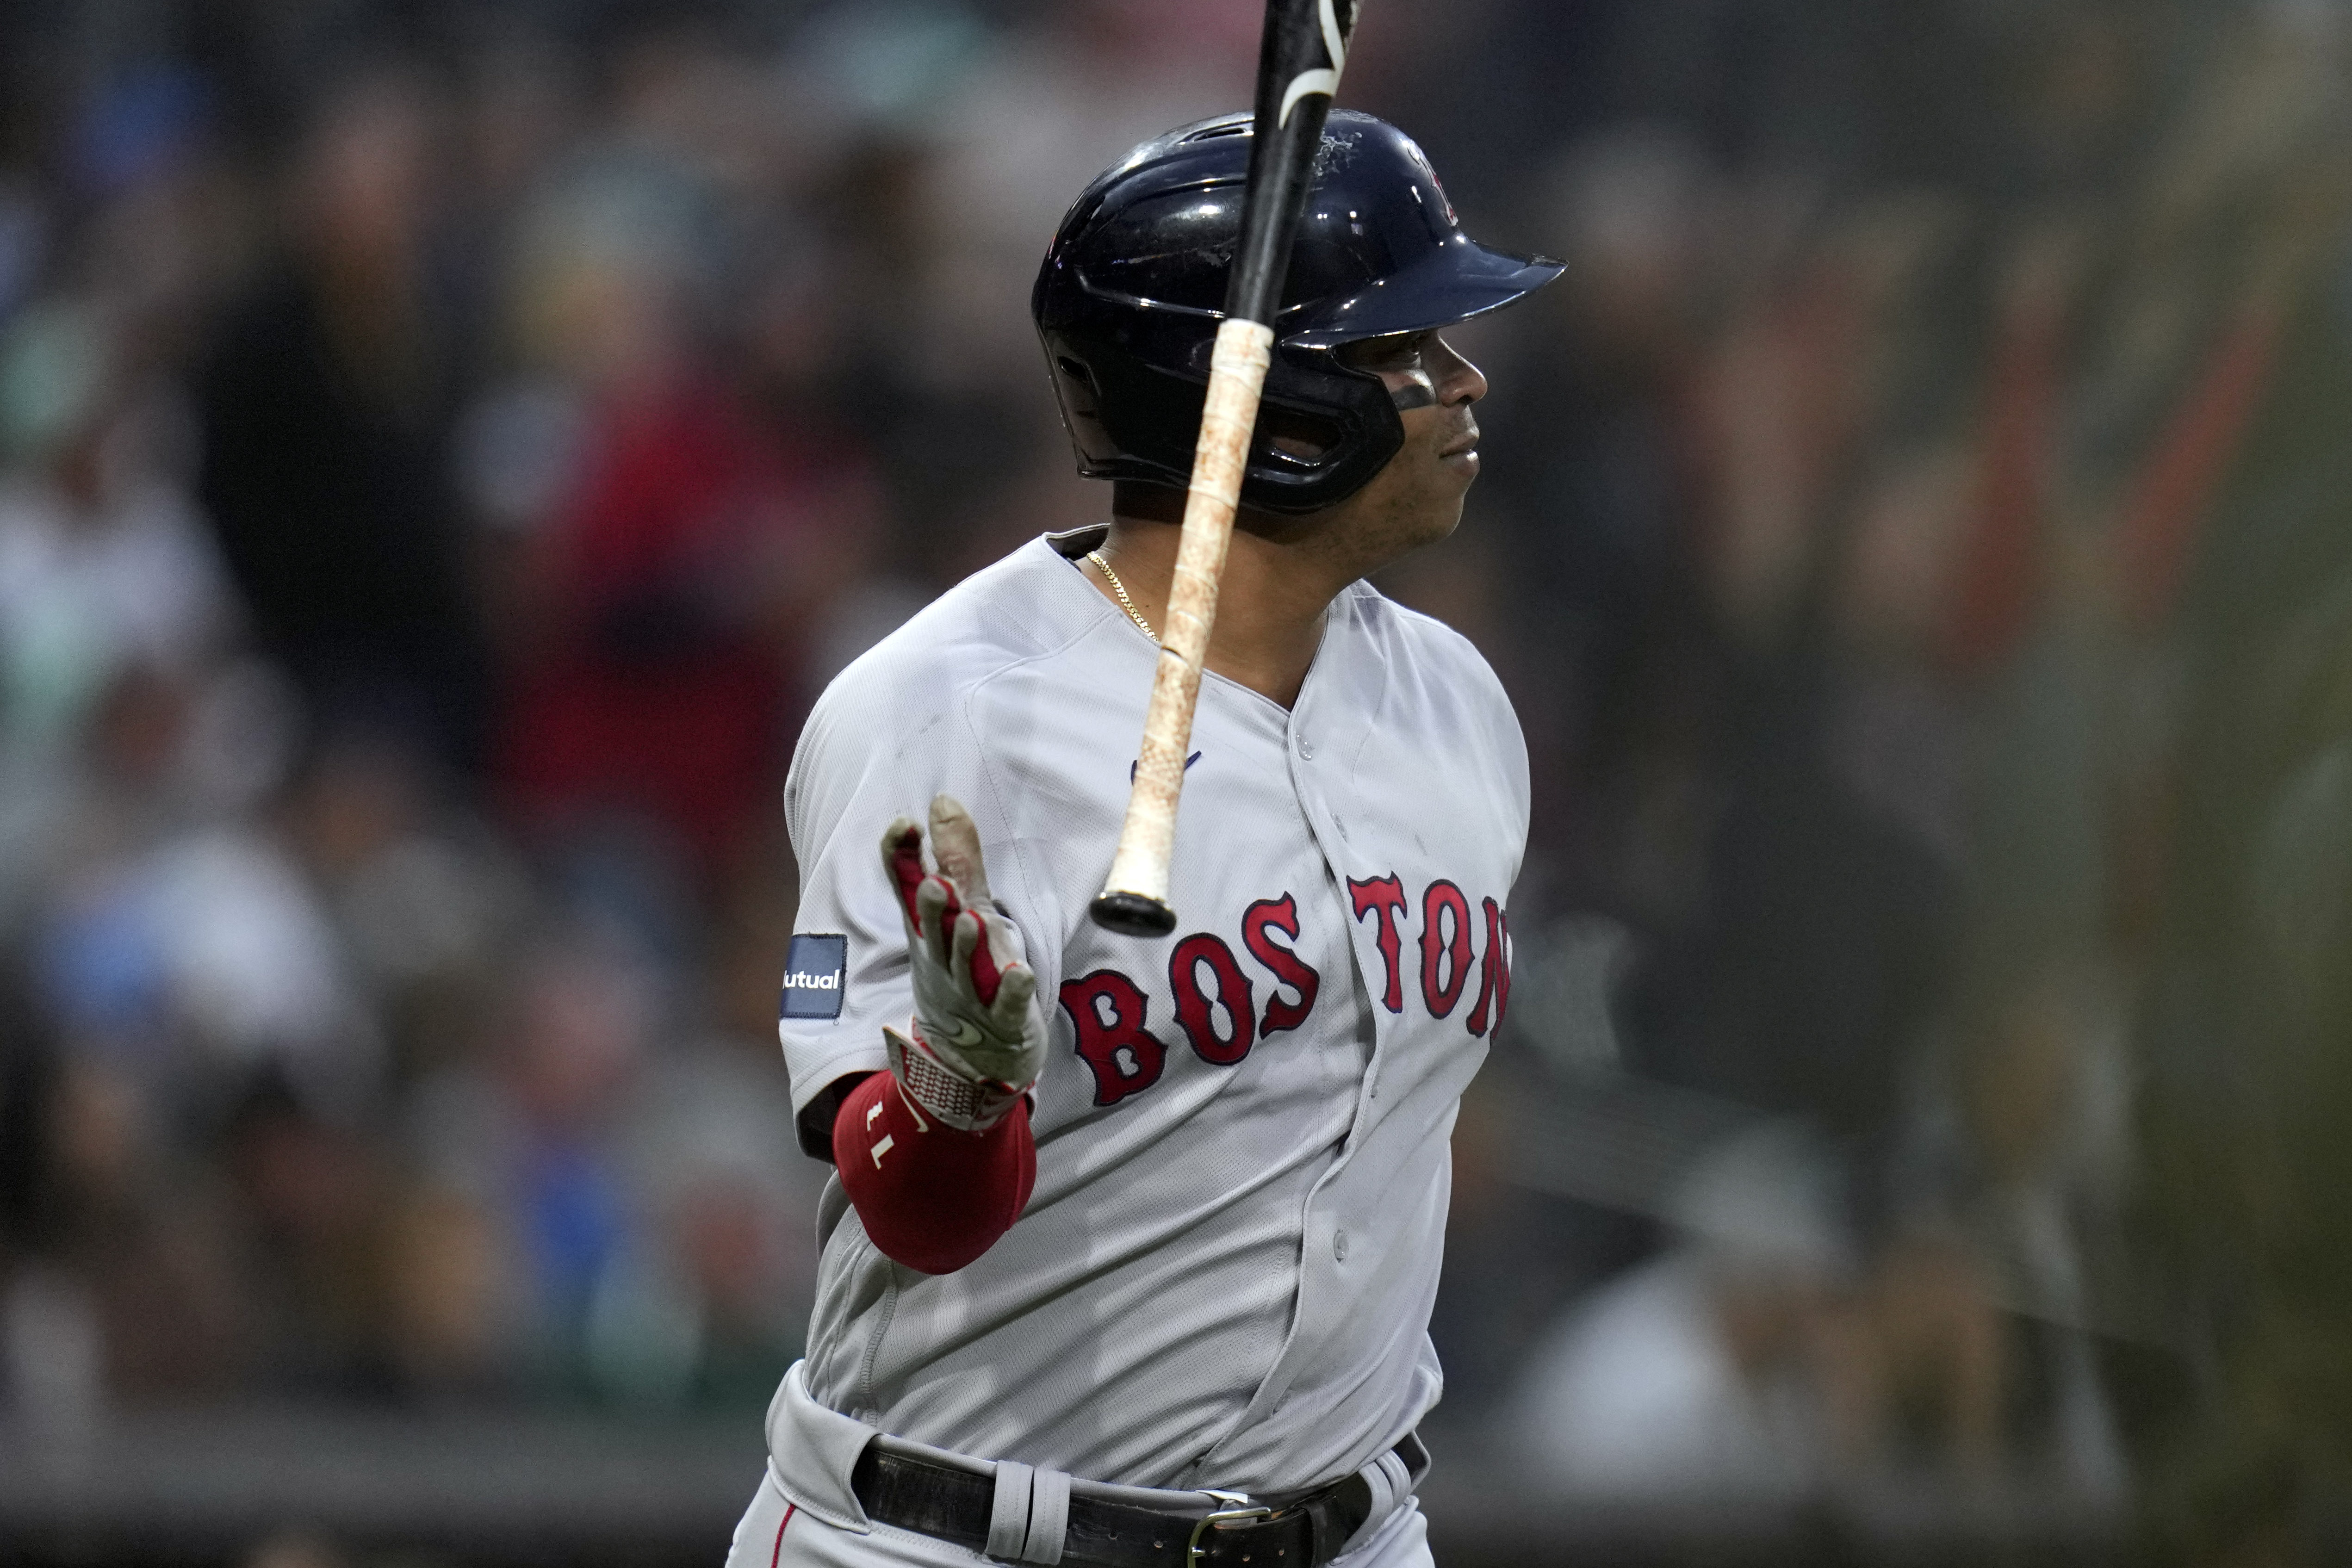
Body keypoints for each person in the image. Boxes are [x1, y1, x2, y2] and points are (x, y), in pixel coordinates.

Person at [730, 112, 1560, 1568]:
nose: (1460, 381)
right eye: (1398, 353)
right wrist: (955, 1085)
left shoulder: (1458, 705)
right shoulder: (940, 716)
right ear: (1260, 403)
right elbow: (913, 1213)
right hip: (954, 1534)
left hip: (1355, 1528)